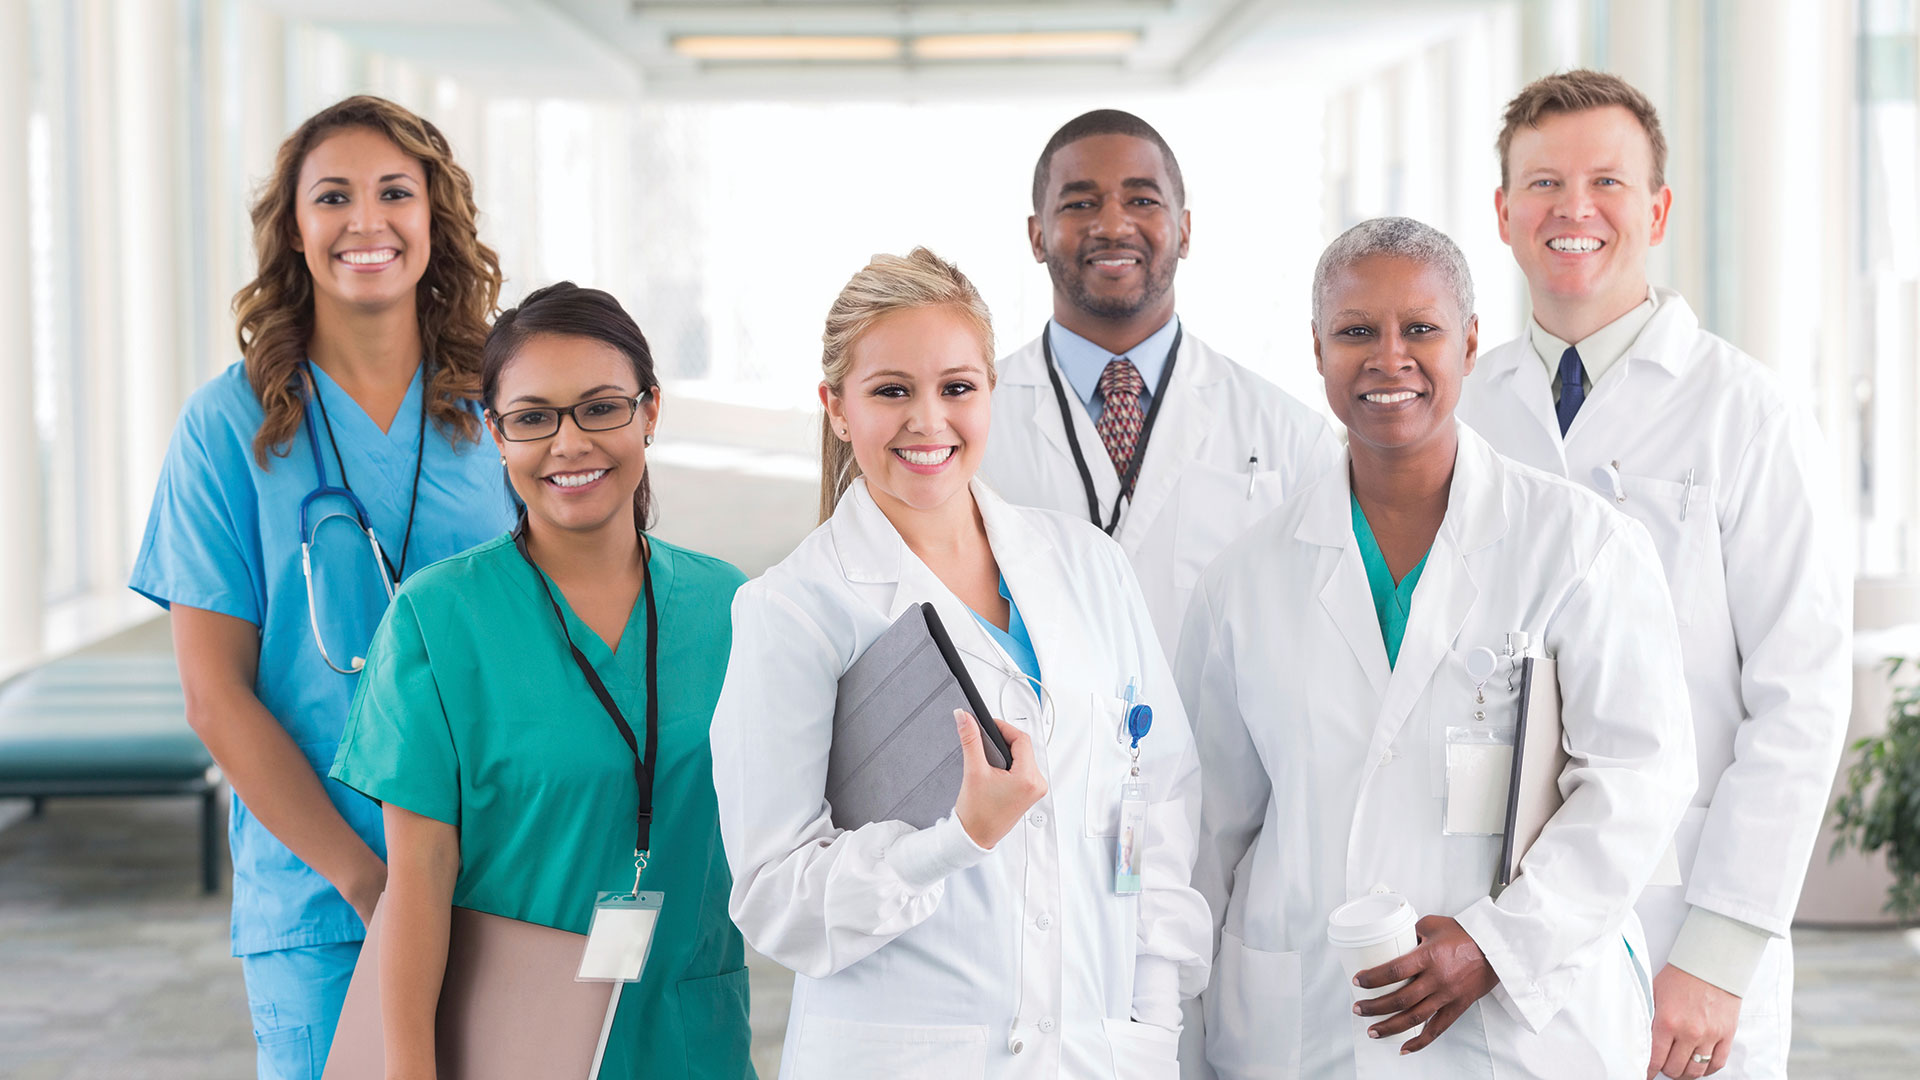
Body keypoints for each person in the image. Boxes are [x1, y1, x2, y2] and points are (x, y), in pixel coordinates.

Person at [1180, 217, 1695, 1079]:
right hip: (1304, 1018)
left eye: (1420, 328)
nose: (1390, 358)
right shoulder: (1244, 579)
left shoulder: (1578, 547)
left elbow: (1641, 782)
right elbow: (1209, 832)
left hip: (1523, 1029)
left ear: (1469, 341)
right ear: (1315, 348)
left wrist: (1497, 944)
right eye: (1355, 332)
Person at [712, 248, 1210, 1079]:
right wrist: (953, 841)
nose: (927, 420)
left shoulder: (1085, 565)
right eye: (890, 391)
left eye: (956, 387)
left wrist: (1151, 1020)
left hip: (1097, 1055)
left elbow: (1159, 806)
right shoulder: (796, 609)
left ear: (990, 392)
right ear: (836, 408)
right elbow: (775, 899)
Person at [1456, 71, 1851, 1080]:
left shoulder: (1744, 414)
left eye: (1608, 182)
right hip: (1494, 926)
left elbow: (1800, 699)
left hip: (1679, 922)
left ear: (1660, 209)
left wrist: (1717, 954)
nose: (1573, 209)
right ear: (1504, 215)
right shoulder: (1465, 411)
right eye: (1542, 183)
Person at [129, 95, 514, 1076]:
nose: (365, 222)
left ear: (437, 219)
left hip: (505, 875)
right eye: (332, 196)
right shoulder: (227, 429)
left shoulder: (503, 407)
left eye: (395, 193)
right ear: (295, 229)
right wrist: (369, 884)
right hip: (322, 896)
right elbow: (215, 697)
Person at [328, 282, 754, 1079]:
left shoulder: (732, 608)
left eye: (601, 408)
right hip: (511, 1047)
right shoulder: (437, 621)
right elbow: (417, 883)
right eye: (533, 418)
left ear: (650, 411)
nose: (570, 443)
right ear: (496, 433)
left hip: (689, 1037)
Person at [981, 109, 1341, 656]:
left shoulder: (1290, 435)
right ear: (1037, 235)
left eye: (1142, 201)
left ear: (1185, 230)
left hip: (1217, 743)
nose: (1113, 225)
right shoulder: (971, 423)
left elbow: (1325, 638)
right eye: (1080, 203)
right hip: (1035, 738)